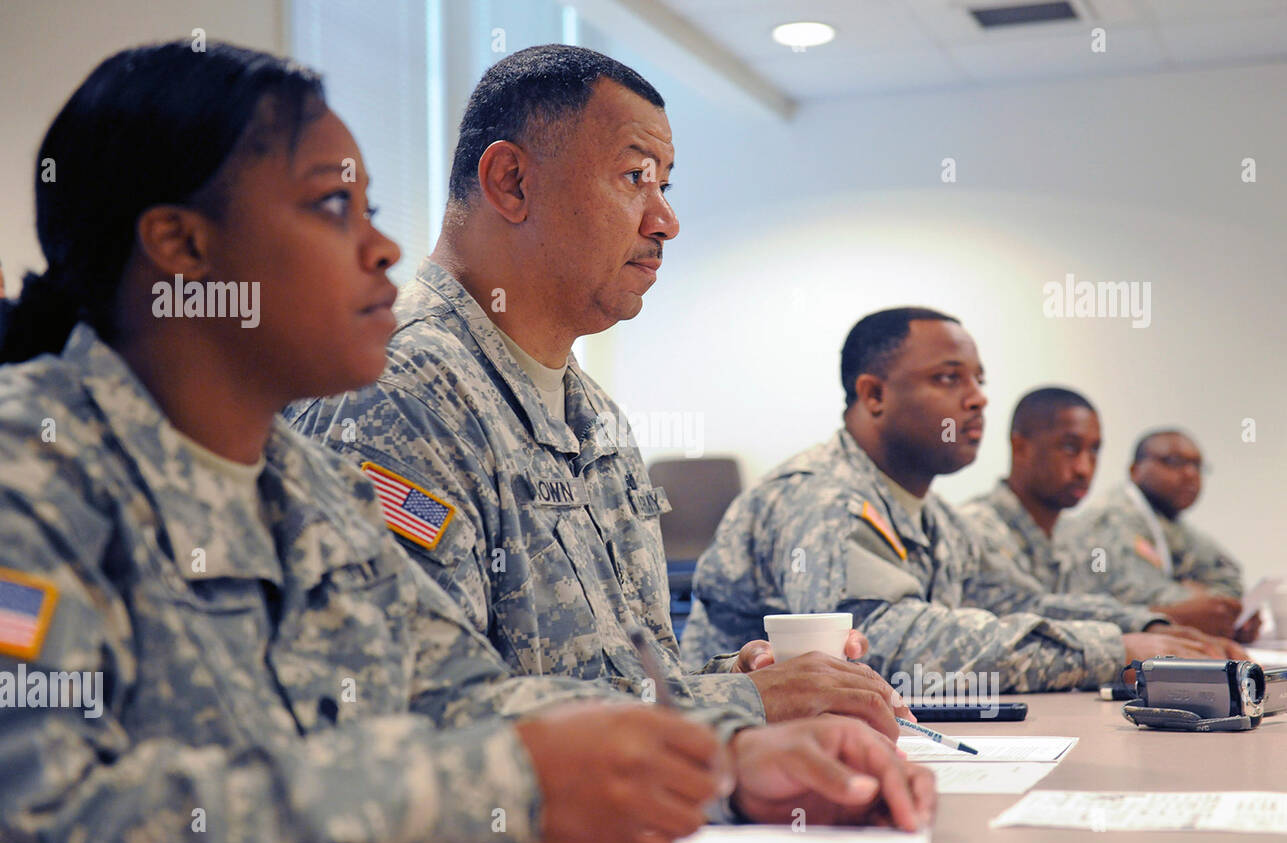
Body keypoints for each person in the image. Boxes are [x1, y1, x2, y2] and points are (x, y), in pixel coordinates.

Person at [0, 42, 933, 843]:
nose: (384, 247)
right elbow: (46, 833)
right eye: (332, 206)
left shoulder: (298, 493)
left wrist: (726, 756)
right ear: (183, 248)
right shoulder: (33, 475)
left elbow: (462, 698)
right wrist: (517, 784)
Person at [288, 45, 909, 735]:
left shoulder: (594, 416)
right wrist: (748, 708)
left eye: (666, 185)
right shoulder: (399, 390)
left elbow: (619, 681)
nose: (664, 220)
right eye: (635, 176)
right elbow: (415, 720)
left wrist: (742, 681)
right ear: (512, 182)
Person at [681, 308, 1248, 692]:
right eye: (950, 379)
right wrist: (1111, 648)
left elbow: (1018, 603)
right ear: (873, 395)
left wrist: (1148, 627)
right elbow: (887, 649)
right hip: (730, 768)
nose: (977, 399)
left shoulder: (932, 516)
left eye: (979, 380)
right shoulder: (822, 497)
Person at [961, 389, 1255, 640]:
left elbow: (1102, 607)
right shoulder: (976, 528)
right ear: (1020, 446)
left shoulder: (1075, 534)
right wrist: (1157, 622)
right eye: (1069, 448)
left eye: (1094, 451)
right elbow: (1024, 619)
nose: (1084, 469)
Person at [1062, 429, 1246, 630]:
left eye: (1197, 466)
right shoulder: (1112, 517)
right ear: (1135, 470)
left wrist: (1225, 610)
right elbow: (1144, 595)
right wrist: (1206, 600)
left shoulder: (1170, 523)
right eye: (1174, 462)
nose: (1190, 474)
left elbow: (1230, 579)